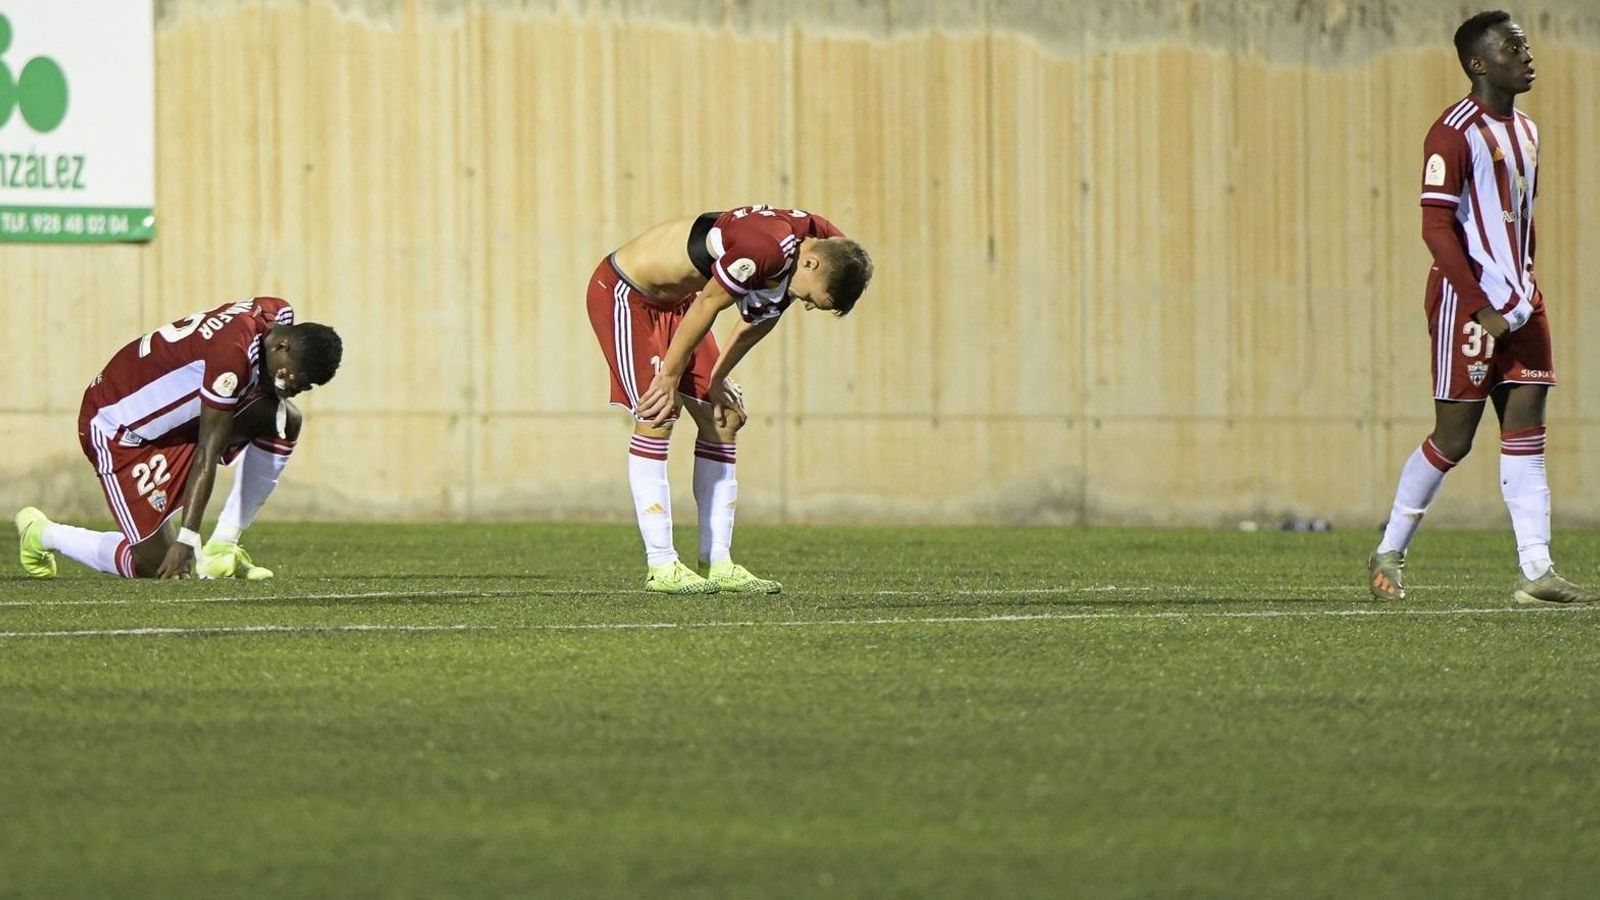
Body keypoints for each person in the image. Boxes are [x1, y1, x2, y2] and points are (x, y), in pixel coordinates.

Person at [1368, 11, 1594, 604]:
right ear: (1479, 62)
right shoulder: (1452, 131)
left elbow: (1518, 225)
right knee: (1455, 439)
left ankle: (1537, 572)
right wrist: (1476, 305)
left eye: (1525, 44)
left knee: (1526, 433)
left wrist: (1523, 288)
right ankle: (1389, 548)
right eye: (1512, 46)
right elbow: (1436, 226)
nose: (1526, 54)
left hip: (1522, 303)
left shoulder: (1528, 129)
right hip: (1468, 307)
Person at [586, 204, 873, 594]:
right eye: (813, 300)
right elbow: (711, 303)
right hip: (630, 294)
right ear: (812, 266)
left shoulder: (823, 245)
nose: (805, 305)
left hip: (682, 305)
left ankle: (717, 561)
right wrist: (668, 375)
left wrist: (718, 378)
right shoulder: (766, 249)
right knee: (658, 412)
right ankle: (662, 564)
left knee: (725, 417)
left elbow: (763, 316)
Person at [15, 296, 342, 580]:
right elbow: (208, 447)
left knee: (285, 419)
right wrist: (188, 538)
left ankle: (223, 545)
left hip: (180, 422)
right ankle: (43, 534)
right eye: (293, 376)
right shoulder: (232, 356)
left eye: (306, 385)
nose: (293, 386)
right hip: (117, 429)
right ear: (282, 346)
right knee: (157, 566)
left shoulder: (278, 314)